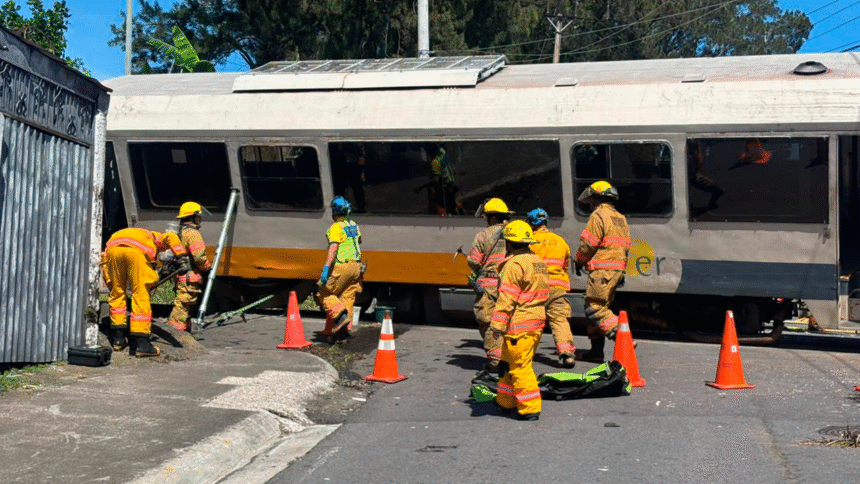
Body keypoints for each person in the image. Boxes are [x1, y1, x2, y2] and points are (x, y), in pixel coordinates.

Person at [490, 220, 549, 421]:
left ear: (509, 243)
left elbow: (507, 299)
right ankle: (505, 402)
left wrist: (497, 325)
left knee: (520, 367)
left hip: (519, 325)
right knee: (507, 364)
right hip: (535, 322)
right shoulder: (537, 261)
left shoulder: (513, 265)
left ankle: (530, 408)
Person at [102, 227, 188, 357]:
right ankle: (142, 345)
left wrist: (111, 283)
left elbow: (106, 269)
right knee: (140, 295)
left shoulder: (126, 233)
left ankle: (118, 339)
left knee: (117, 293)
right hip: (135, 254)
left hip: (112, 253)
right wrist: (181, 257)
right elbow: (170, 236)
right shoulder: (155, 236)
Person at [573, 181, 631, 362]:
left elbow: (588, 243)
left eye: (591, 200)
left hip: (602, 269)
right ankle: (596, 352)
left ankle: (623, 337)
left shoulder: (598, 215)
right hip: (616, 270)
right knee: (599, 310)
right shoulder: (620, 217)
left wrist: (579, 261)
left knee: (594, 307)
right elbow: (626, 247)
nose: (590, 205)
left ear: (597, 198)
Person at [467, 197, 512, 383]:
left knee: (488, 322)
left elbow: (474, 261)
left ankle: (495, 362)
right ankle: (510, 358)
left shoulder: (483, 236)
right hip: (509, 285)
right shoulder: (513, 231)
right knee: (507, 321)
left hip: (489, 286)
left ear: (490, 217)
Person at [526, 208, 576, 368]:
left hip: (537, 288)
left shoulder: (530, 242)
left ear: (531, 223)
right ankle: (567, 353)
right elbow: (565, 265)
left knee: (532, 320)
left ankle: (526, 353)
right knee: (559, 320)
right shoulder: (560, 241)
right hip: (558, 288)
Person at [316, 196, 364, 343]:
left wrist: (325, 269)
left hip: (341, 266)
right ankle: (344, 332)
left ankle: (340, 317)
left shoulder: (336, 228)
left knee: (324, 293)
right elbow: (360, 241)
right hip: (357, 266)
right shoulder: (354, 225)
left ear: (334, 213)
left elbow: (334, 248)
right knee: (347, 296)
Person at [167, 202, 212, 332]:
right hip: (189, 276)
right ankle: (176, 334)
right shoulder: (193, 233)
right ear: (193, 217)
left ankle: (185, 336)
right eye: (198, 216)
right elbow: (199, 256)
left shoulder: (182, 232)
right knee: (182, 306)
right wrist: (207, 267)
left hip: (182, 276)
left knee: (185, 307)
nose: (200, 219)